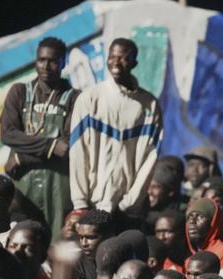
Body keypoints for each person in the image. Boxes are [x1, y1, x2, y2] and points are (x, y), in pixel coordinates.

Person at [69, 38, 163, 222]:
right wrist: (80, 203)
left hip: (128, 212)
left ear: (134, 63)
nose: (116, 62)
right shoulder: (90, 98)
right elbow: (78, 152)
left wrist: (130, 203)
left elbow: (150, 158)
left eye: (123, 58)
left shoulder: (149, 105)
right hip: (92, 204)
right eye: (112, 57)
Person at [0, 37, 78, 239]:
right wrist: (52, 145)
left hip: (59, 187)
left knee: (56, 244)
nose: (46, 66)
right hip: (23, 185)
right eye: (41, 60)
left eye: (53, 61)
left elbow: (68, 147)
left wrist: (21, 158)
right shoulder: (19, 92)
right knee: (22, 242)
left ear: (63, 62)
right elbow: (8, 134)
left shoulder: (74, 97)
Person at [185, 198, 223, 278]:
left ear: (213, 222)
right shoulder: (191, 256)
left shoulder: (222, 254)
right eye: (190, 217)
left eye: (200, 217)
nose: (192, 221)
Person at [73, 209, 114, 279]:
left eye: (90, 237)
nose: (84, 243)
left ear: (109, 237)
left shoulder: (121, 261)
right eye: (81, 237)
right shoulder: (77, 264)